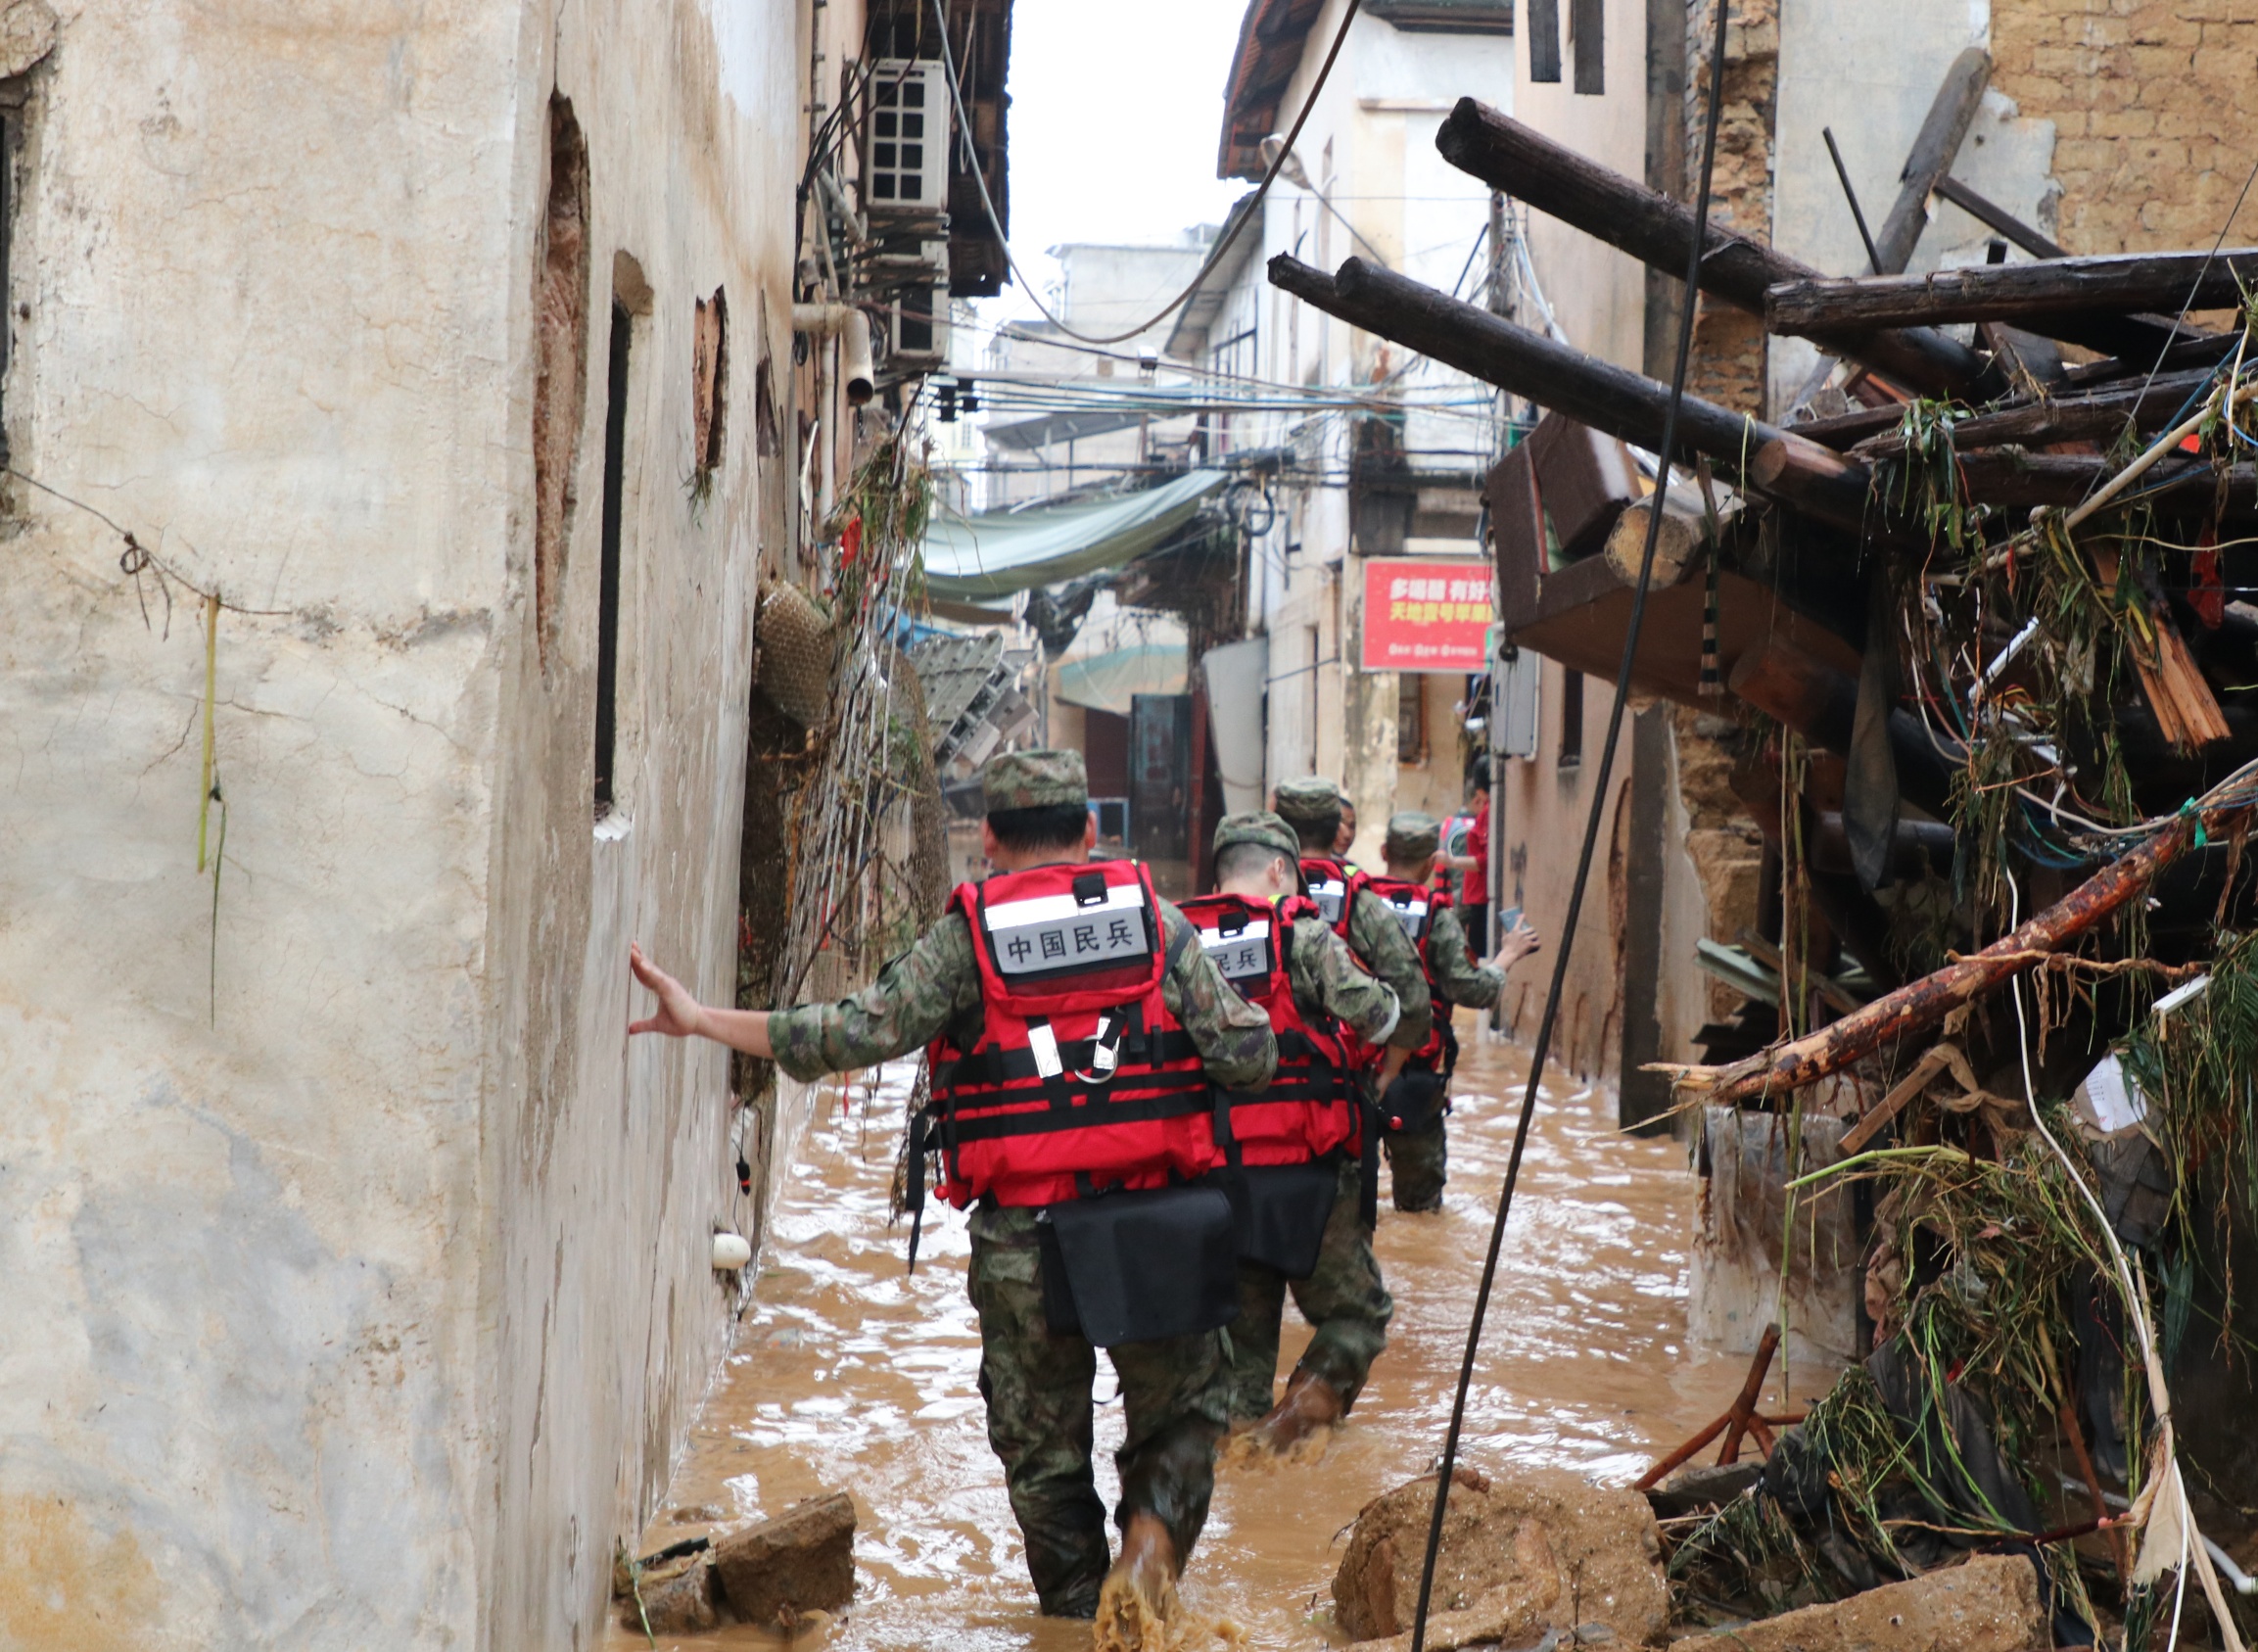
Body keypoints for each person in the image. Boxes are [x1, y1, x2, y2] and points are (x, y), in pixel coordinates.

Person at [628, 750, 1277, 1638]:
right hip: (1157, 1228)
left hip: (1026, 1244)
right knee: (1187, 1415)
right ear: (1089, 833)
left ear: (992, 840)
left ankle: (1082, 1612)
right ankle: (1153, 1539)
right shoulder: (1159, 926)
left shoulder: (969, 938)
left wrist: (703, 1019)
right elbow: (1250, 1057)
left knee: (1044, 1459)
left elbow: (857, 1030)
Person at [1178, 812, 1413, 1453]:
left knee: (1242, 1353)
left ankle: (1243, 1457)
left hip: (1218, 1181)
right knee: (1357, 1318)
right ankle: (1297, 1417)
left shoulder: (1177, 942)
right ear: (1280, 870)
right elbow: (1382, 1014)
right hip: (1310, 1175)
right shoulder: (1304, 935)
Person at [1363, 811, 1539, 1211]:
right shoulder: (1437, 918)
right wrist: (1506, 956)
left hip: (1351, 1077)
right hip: (1413, 1079)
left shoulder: (1355, 906)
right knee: (1420, 1211)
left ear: (1384, 851)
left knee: (1351, 1206)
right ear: (1431, 863)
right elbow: (1472, 991)